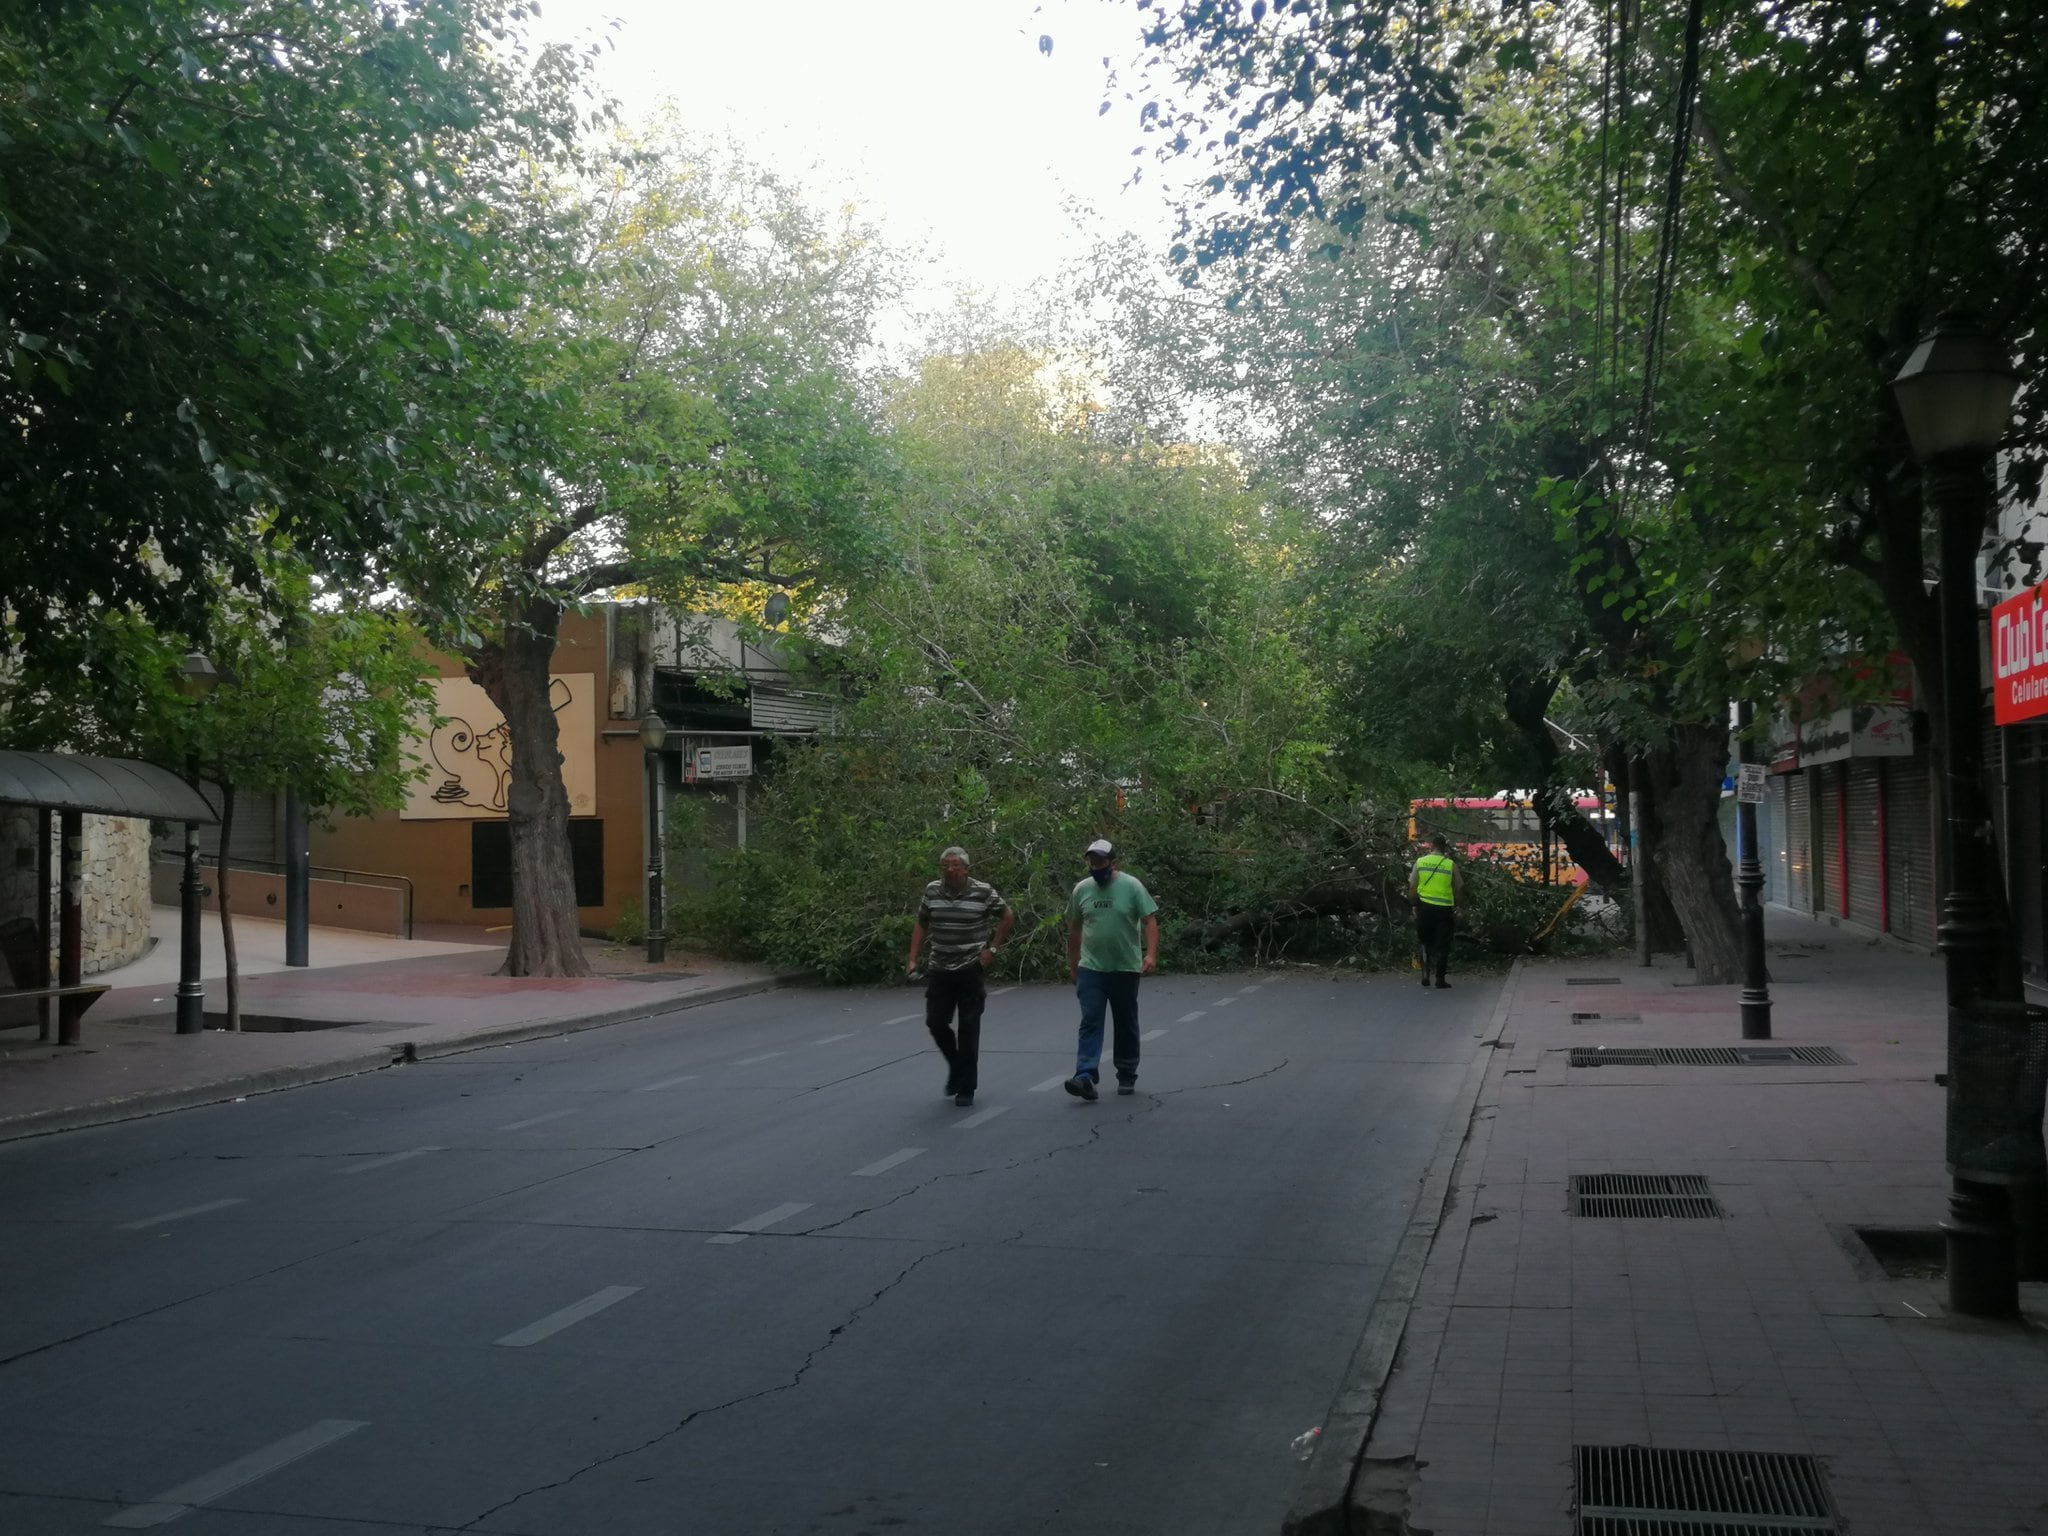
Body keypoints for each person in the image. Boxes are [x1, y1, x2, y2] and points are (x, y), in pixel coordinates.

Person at [906, 846, 1014, 1107]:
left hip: (969, 967)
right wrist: (912, 958)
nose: (950, 870)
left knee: (968, 1028)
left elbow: (1007, 916)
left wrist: (993, 949)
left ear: (966, 868)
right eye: (946, 865)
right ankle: (956, 1066)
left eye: (955, 865)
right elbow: (922, 922)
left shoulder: (982, 891)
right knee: (936, 1022)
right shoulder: (932, 890)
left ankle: (967, 1087)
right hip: (940, 967)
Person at [1063, 838, 1159, 1102]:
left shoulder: (1131, 886)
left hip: (1125, 968)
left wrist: (1150, 954)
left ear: (1113, 863)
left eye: (1101, 862)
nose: (1096, 867)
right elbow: (1074, 928)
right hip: (1091, 968)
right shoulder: (1082, 889)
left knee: (1125, 1022)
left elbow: (1150, 920)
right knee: (1090, 1020)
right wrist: (1073, 965)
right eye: (1092, 862)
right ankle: (1084, 1075)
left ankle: (1127, 1072)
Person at [1409, 833, 1463, 989]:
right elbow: (1459, 887)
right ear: (1444, 848)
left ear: (1431, 846)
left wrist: (1414, 905)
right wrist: (1458, 906)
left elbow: (1412, 886)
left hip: (1424, 908)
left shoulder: (1420, 862)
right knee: (1443, 944)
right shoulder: (1450, 864)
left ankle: (1425, 974)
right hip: (1444, 909)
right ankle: (1440, 979)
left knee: (1425, 941)